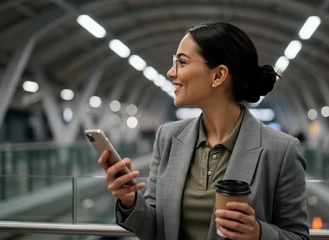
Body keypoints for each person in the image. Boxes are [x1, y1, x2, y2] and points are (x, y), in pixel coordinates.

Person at [98, 22, 309, 240]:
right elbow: (155, 229)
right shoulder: (168, 138)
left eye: (182, 62)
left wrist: (257, 233)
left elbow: (299, 236)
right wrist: (131, 200)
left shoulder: (280, 150)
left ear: (218, 75)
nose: (171, 72)